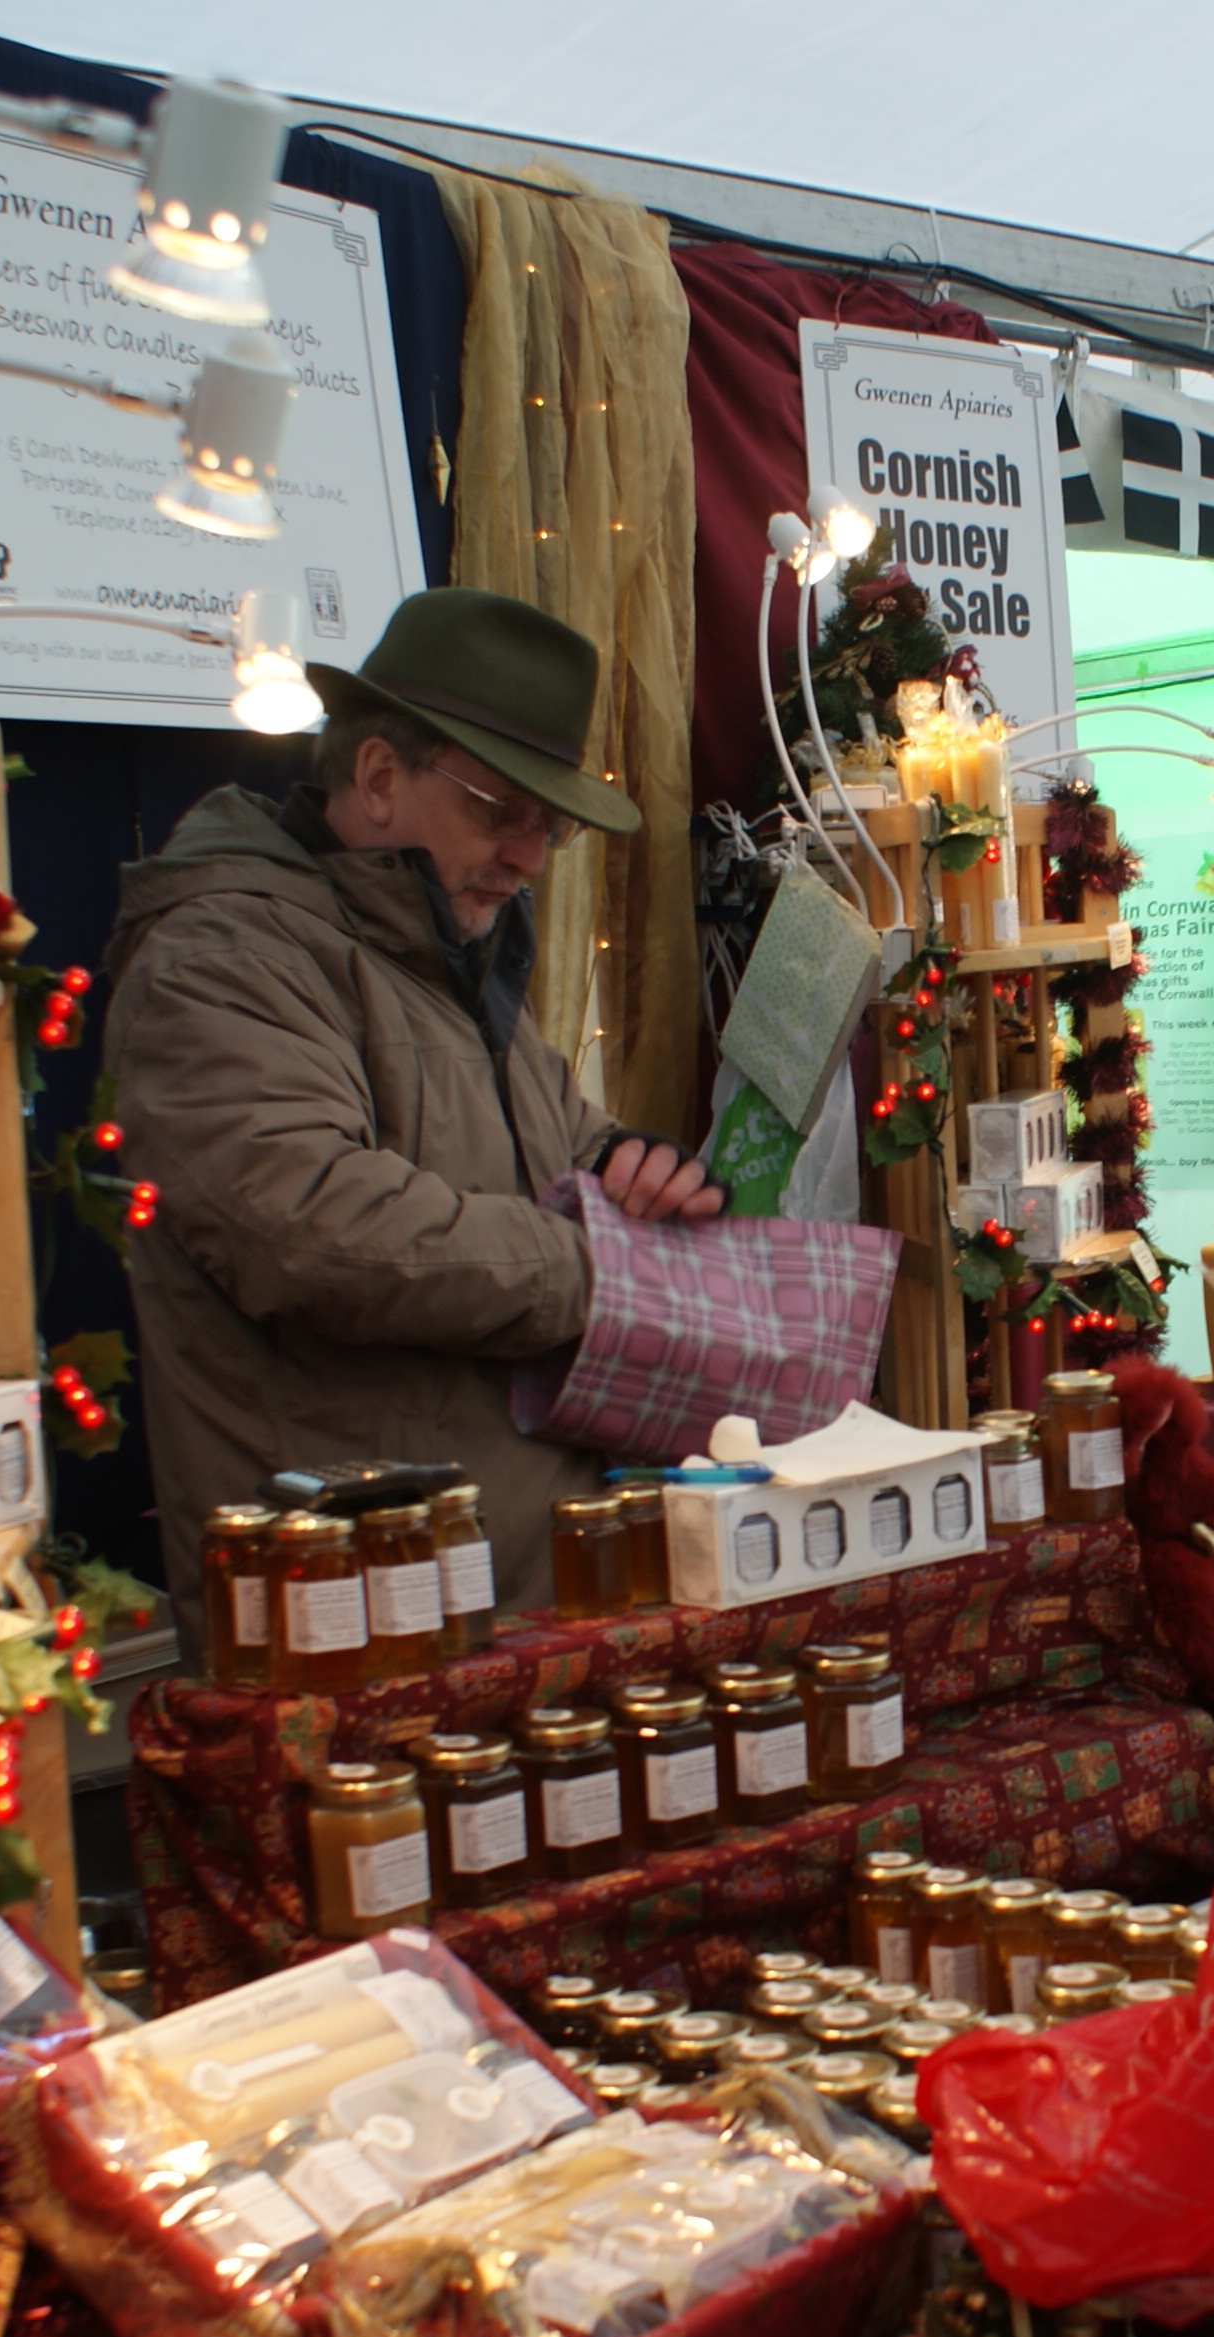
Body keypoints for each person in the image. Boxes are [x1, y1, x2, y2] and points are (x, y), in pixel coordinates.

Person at [104, 588, 720, 1608]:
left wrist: (633, 1169)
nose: (526, 859)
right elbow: (312, 1231)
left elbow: (571, 1145)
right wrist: (607, 1270)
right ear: (380, 776)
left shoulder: (450, 963)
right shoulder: (217, 956)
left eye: (549, 829)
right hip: (345, 1618)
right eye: (499, 812)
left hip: (506, 1598)